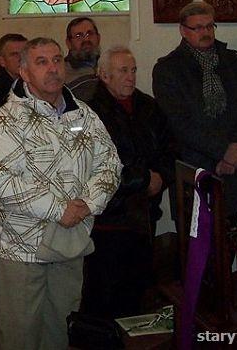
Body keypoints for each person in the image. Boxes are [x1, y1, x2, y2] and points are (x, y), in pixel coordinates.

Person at [0, 37, 121, 350]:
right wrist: (59, 209)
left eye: (57, 60)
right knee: (21, 335)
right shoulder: (4, 123)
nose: (53, 68)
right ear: (24, 72)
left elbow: (109, 162)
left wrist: (88, 203)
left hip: (71, 241)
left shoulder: (82, 115)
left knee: (61, 327)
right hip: (23, 247)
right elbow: (0, 182)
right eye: (41, 62)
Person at [81, 46, 174, 319]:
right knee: (106, 292)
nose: (131, 77)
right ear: (104, 75)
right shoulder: (90, 112)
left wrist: (161, 176)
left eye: (133, 70)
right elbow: (96, 165)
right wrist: (143, 179)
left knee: (138, 289)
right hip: (109, 218)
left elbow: (169, 147)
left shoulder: (148, 106)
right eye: (124, 71)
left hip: (143, 214)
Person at [153, 1, 237, 219]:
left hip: (232, 169)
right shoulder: (168, 69)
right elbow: (178, 123)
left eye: (210, 26)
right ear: (183, 31)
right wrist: (221, 150)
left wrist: (236, 153)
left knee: (229, 243)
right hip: (193, 169)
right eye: (198, 27)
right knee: (196, 248)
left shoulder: (231, 61)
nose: (205, 32)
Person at [64, 16, 101, 101]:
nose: (86, 39)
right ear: (68, 43)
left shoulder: (108, 66)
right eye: (79, 36)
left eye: (90, 34)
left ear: (98, 38)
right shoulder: (62, 71)